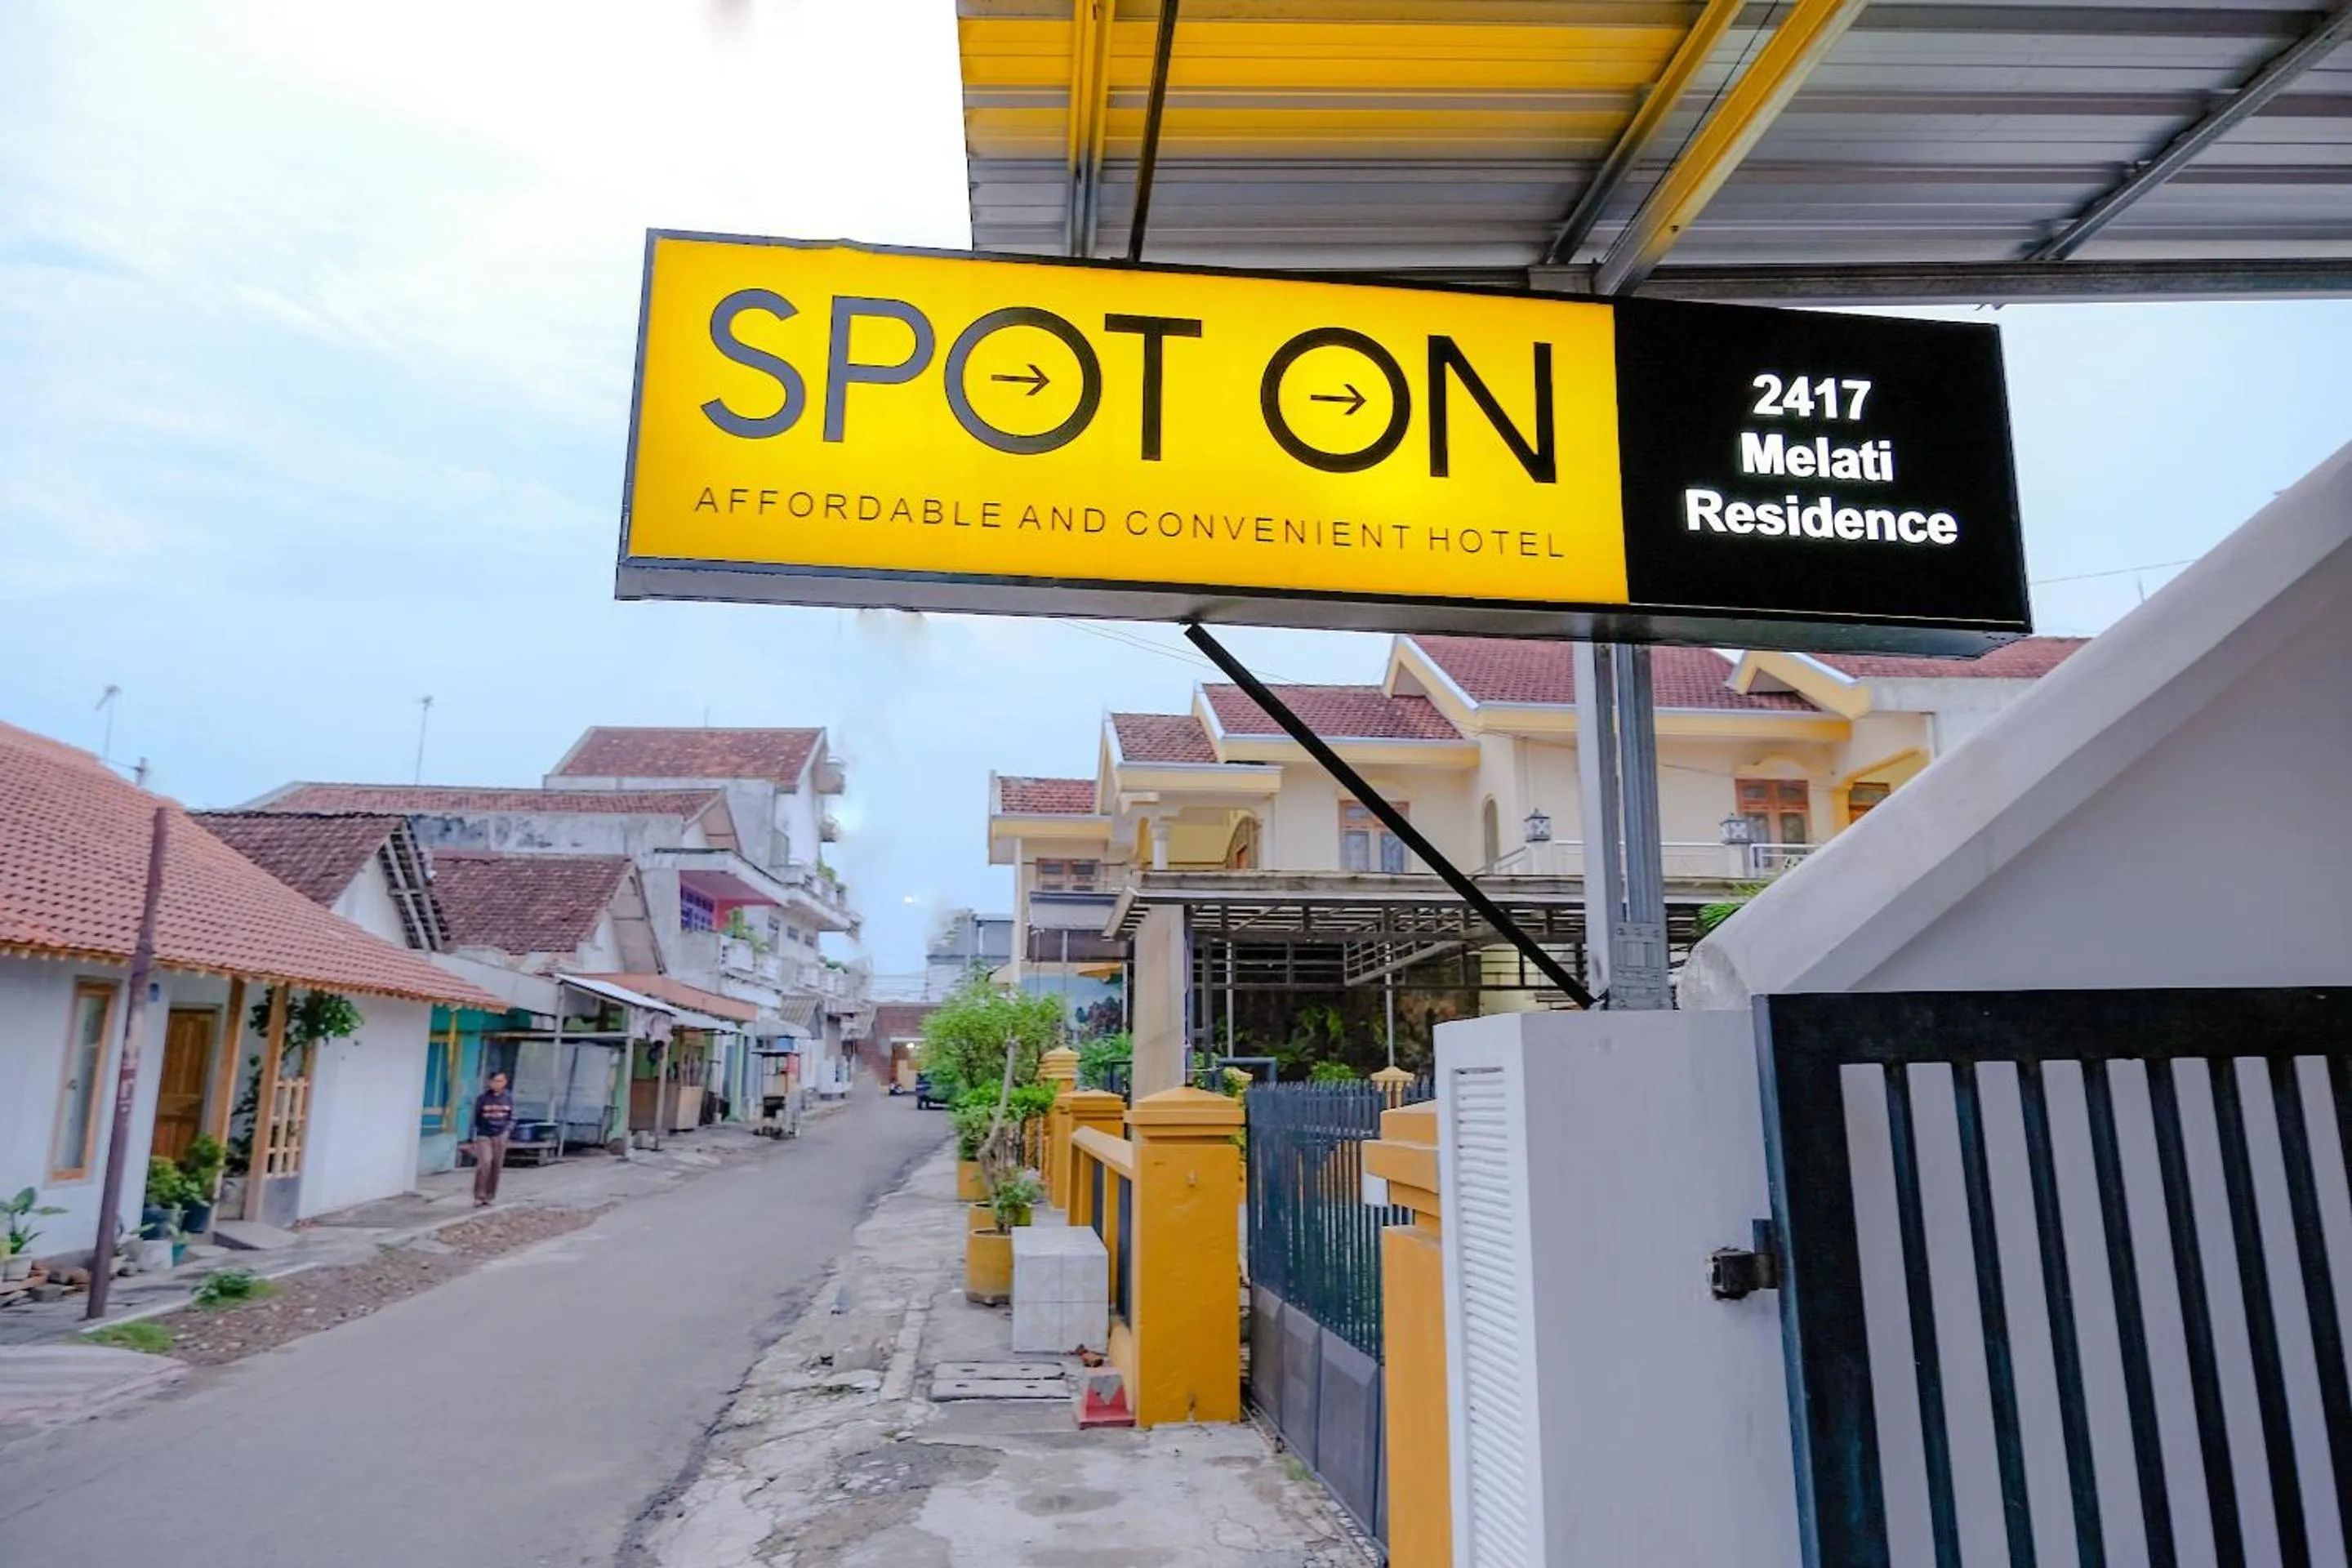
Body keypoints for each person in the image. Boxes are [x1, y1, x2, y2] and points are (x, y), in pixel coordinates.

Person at [468, 1070, 515, 1206]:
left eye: (500, 1081)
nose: (497, 1084)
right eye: (495, 1081)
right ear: (490, 1082)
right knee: (485, 1163)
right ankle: (479, 1195)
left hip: (501, 1134)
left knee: (496, 1165)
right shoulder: (482, 1099)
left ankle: (490, 1195)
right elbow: (476, 1118)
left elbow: (512, 1117)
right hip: (484, 1134)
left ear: (505, 1083)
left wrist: (507, 1130)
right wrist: (474, 1137)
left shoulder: (508, 1098)